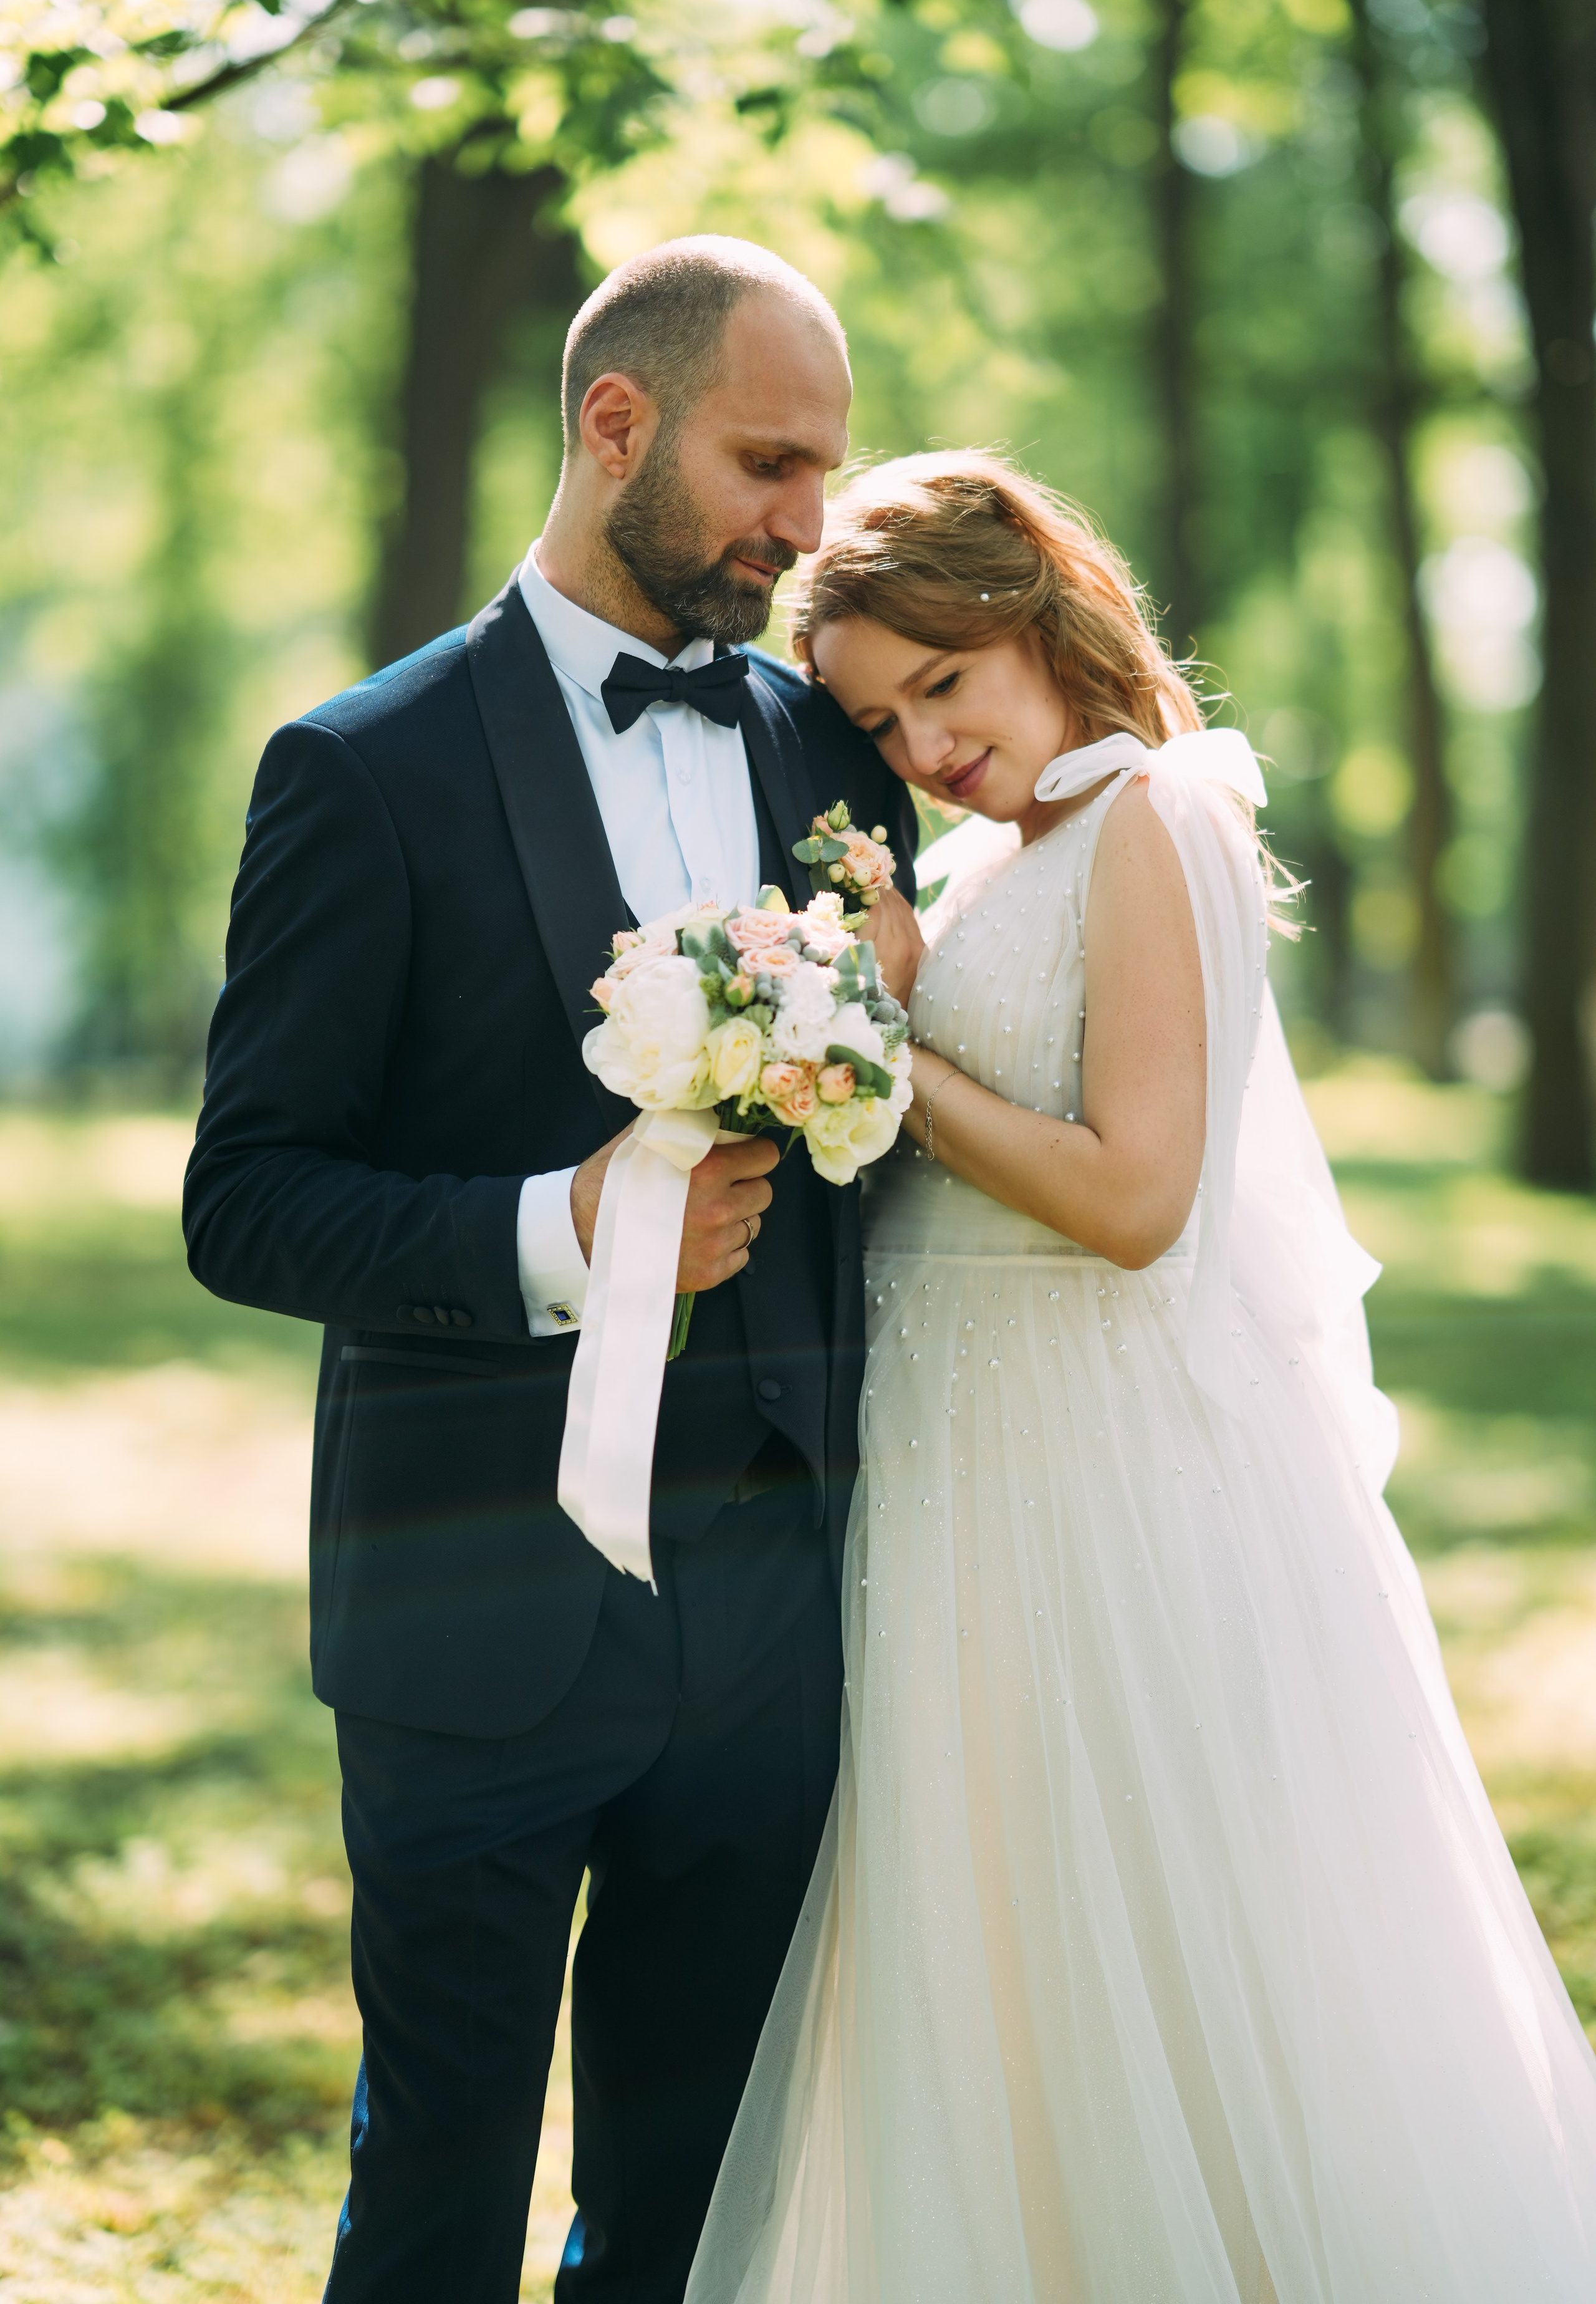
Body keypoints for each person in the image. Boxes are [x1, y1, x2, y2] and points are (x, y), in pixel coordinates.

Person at [685, 451, 1596, 2303]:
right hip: (956, 1471)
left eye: (945, 685)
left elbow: (1136, 1198)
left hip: (1094, 1468)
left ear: (1032, 608)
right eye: (882, 718)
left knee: (1160, 1930)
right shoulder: (988, 851)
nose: (926, 746)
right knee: (996, 1939)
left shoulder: (1156, 811)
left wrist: (875, 1049)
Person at [182, 236, 918, 2304]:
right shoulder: (363, 768)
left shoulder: (839, 763)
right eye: (771, 464)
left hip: (774, 1610)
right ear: (616, 425)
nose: (808, 524)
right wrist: (563, 1230)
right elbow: (248, 1199)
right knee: (434, 2185)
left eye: (826, 471)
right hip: (473, 1602)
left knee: (687, 2204)